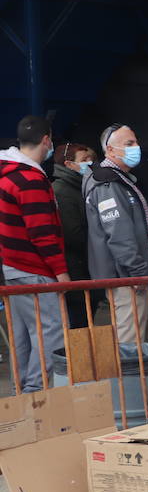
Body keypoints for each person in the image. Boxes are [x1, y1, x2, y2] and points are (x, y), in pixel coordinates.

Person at [0, 116, 70, 392]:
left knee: (23, 336)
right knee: (51, 331)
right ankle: (35, 395)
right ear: (46, 139)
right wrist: (62, 273)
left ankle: (20, 394)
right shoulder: (30, 179)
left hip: (13, 268)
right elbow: (42, 233)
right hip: (35, 269)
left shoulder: (7, 175)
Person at [86, 123, 148, 346]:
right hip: (126, 277)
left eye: (135, 142)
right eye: (129, 144)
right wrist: (137, 271)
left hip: (127, 275)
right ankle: (126, 381)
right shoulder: (108, 182)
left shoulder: (118, 179)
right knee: (129, 342)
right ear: (110, 150)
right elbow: (118, 234)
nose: (136, 147)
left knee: (131, 336)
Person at [51, 142, 99, 327]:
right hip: (76, 271)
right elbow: (73, 234)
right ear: (68, 164)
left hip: (84, 270)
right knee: (78, 326)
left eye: (91, 159)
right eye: (84, 160)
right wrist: (101, 241)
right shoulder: (62, 191)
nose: (90, 163)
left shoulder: (82, 187)